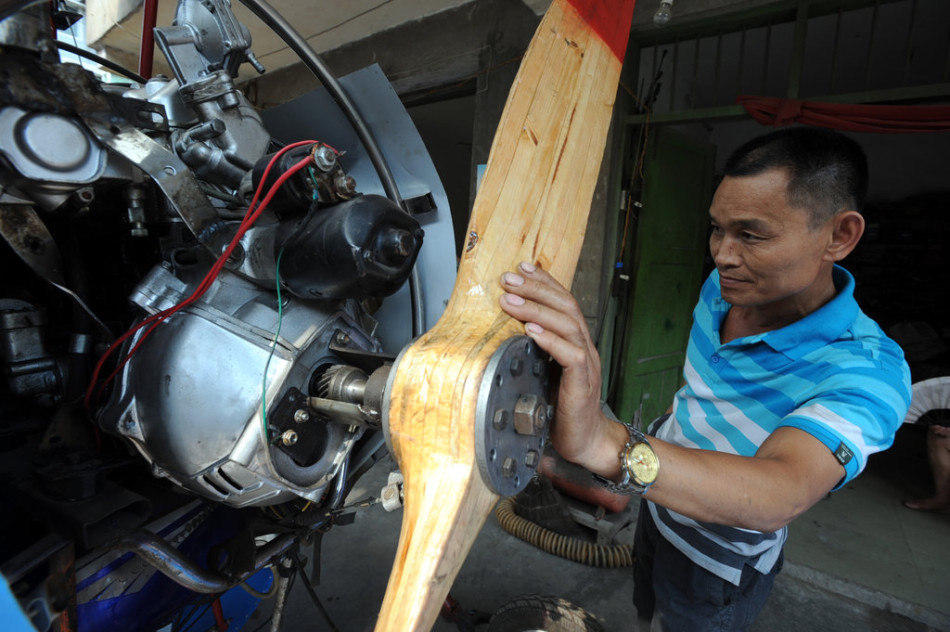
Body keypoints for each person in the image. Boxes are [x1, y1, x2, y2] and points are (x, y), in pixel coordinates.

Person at [498, 127, 912, 631]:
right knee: (648, 611)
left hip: (718, 564)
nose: (722, 254)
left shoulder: (868, 370)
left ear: (839, 235)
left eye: (752, 234)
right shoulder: (724, 288)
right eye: (717, 229)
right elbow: (703, 394)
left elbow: (779, 492)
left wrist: (609, 444)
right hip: (657, 507)